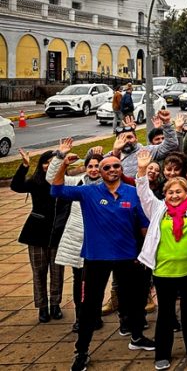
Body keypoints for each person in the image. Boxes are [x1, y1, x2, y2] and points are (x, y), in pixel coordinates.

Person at [51, 153, 154, 371]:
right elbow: (56, 189)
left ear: (121, 169)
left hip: (127, 257)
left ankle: (136, 336)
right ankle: (82, 351)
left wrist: (147, 254)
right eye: (106, 167)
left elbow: (145, 226)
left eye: (116, 166)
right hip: (96, 258)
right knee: (90, 305)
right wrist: (63, 165)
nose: (112, 170)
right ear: (100, 172)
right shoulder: (88, 192)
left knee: (134, 301)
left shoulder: (132, 193)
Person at [135, 145, 187, 370]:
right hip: (164, 271)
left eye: (179, 191)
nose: (174, 195)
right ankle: (162, 353)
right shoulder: (157, 209)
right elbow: (142, 192)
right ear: (165, 194)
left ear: (186, 192)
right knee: (166, 315)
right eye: (170, 192)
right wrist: (141, 171)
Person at [45, 142, 104, 332]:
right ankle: (80, 317)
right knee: (79, 282)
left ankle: (95, 315)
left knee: (97, 282)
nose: (94, 169)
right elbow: (51, 179)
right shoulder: (77, 182)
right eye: (90, 166)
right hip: (77, 240)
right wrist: (60, 159)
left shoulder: (108, 185)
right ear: (85, 168)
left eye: (97, 166)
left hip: (99, 242)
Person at [11, 148, 68, 323]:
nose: (49, 166)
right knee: (39, 272)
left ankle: (55, 304)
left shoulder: (65, 183)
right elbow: (16, 186)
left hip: (58, 233)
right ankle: (42, 307)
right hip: (36, 233)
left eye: (53, 162)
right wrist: (24, 166)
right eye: (46, 162)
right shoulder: (36, 182)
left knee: (57, 272)